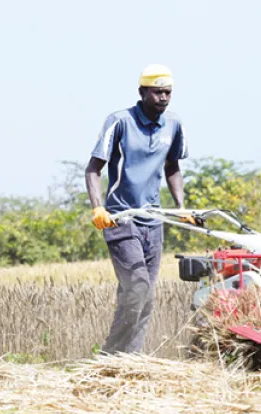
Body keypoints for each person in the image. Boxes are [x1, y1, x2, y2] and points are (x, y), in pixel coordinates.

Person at [84, 64, 189, 354]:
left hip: (153, 221)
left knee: (144, 295)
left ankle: (130, 358)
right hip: (120, 218)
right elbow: (93, 169)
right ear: (142, 92)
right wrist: (98, 209)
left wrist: (180, 206)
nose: (164, 98)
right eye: (157, 92)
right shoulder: (120, 122)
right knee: (138, 287)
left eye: (168, 92)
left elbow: (173, 167)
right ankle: (111, 354)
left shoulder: (173, 124)